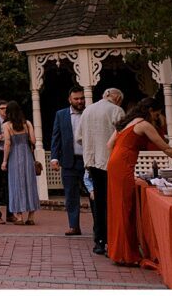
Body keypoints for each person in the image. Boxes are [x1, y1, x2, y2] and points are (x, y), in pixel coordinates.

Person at [106, 97, 172, 266]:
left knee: (118, 207)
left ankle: (118, 252)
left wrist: (115, 162)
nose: (157, 116)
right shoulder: (143, 124)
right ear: (150, 110)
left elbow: (109, 144)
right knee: (126, 208)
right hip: (123, 164)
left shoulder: (127, 122)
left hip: (115, 164)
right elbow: (166, 147)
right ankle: (126, 255)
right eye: (157, 113)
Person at [76, 87, 124, 255]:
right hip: (110, 161)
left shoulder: (88, 110)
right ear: (117, 99)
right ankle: (112, 239)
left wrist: (92, 147)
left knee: (98, 202)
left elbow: (79, 137)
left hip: (92, 161)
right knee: (112, 202)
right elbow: (122, 136)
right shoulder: (117, 111)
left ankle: (99, 241)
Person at [51, 86, 87, 236]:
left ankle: (98, 227)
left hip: (87, 161)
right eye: (76, 99)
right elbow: (56, 136)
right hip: (68, 161)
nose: (80, 101)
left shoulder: (88, 113)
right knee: (71, 195)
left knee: (93, 193)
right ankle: (74, 226)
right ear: (70, 100)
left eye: (82, 98)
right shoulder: (61, 114)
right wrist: (54, 157)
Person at [0, 101, 40, 225]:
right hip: (27, 155)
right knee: (30, 183)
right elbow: (33, 140)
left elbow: (7, 143)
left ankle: (19, 216)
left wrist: (4, 161)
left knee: (16, 184)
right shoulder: (27, 123)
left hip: (14, 157)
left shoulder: (7, 125)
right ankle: (31, 217)